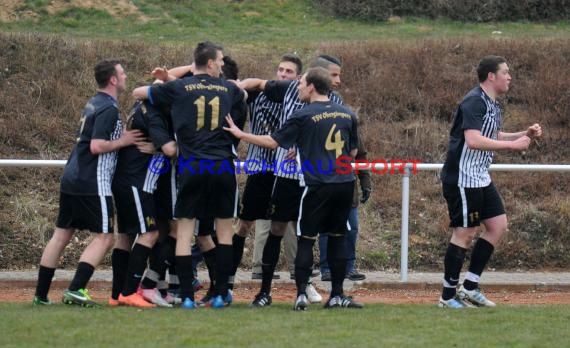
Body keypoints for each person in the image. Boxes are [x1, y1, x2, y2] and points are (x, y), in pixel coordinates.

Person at [226, 67, 363, 310]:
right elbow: (352, 152)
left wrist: (240, 134)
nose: (296, 85)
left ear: (311, 86)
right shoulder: (347, 113)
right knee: (295, 231)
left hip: (312, 182)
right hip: (321, 180)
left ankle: (302, 293)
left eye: (300, 81)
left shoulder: (306, 113)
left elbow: (273, 141)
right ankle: (270, 292)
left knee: (306, 238)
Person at [132, 41, 245, 309]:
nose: (221, 64)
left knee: (184, 232)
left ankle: (186, 297)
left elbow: (139, 93)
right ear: (209, 63)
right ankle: (220, 294)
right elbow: (243, 99)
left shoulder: (179, 88)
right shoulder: (229, 88)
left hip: (192, 165)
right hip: (222, 166)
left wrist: (168, 78)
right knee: (224, 233)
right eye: (219, 60)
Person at [33, 59, 145, 306]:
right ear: (113, 80)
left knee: (61, 235)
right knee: (104, 238)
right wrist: (123, 141)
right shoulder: (108, 109)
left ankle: (40, 295)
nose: (126, 77)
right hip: (93, 181)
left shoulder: (93, 103)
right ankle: (76, 288)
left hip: (72, 177)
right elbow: (96, 146)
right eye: (123, 73)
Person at [438, 55, 542, 308]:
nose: (510, 76)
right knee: (464, 233)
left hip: (481, 177)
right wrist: (511, 146)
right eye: (505, 72)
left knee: (498, 226)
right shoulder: (474, 100)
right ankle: (447, 297)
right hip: (462, 177)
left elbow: (491, 133)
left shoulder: (492, 103)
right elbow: (473, 140)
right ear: (491, 76)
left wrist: (522, 134)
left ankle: (470, 288)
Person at [229, 53, 303, 286]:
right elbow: (246, 84)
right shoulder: (261, 93)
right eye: (280, 70)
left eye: (289, 72)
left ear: (298, 77)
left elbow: (314, 126)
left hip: (287, 171)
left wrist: (300, 145)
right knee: (243, 225)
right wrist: (239, 85)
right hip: (260, 167)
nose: (282, 74)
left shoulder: (301, 99)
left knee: (293, 226)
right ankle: (227, 281)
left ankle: (301, 281)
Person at [319, 134, 371, 281]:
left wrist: (365, 182)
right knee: (325, 229)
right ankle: (326, 268)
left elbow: (361, 156)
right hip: (324, 185)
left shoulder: (351, 127)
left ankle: (349, 267)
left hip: (349, 188)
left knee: (352, 229)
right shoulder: (320, 124)